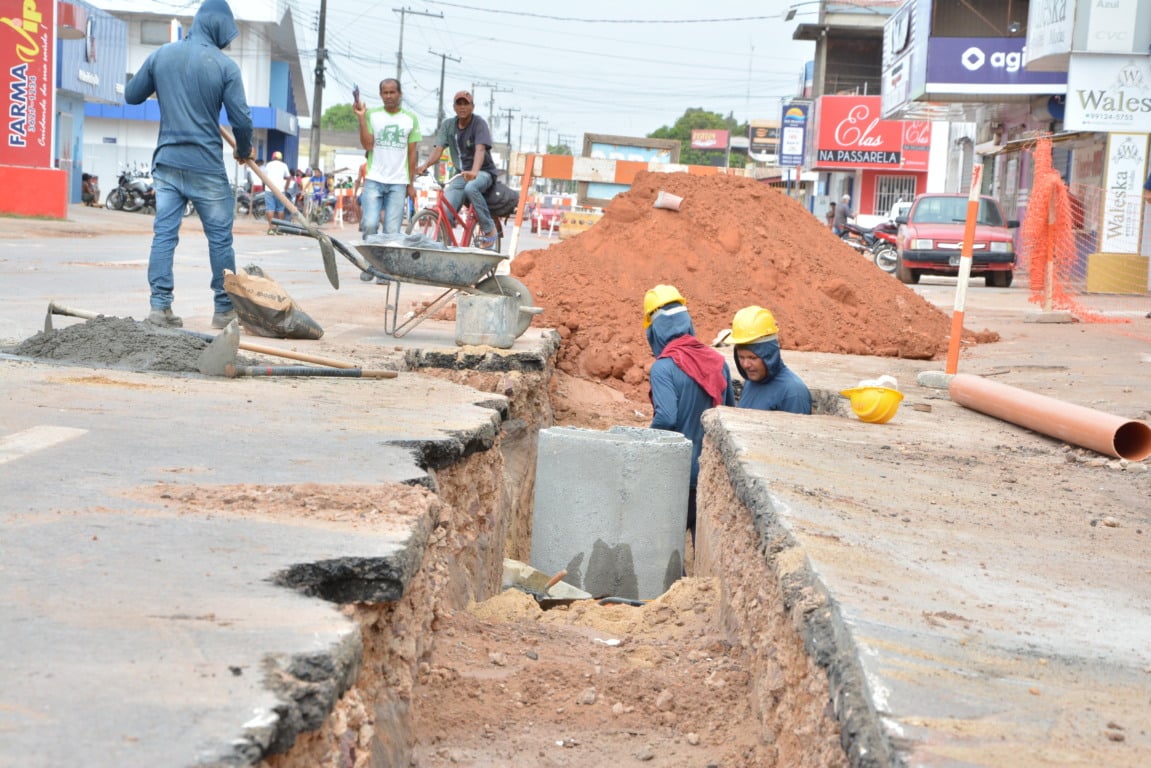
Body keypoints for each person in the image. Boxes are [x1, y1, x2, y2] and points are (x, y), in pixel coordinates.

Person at [124, 0, 252, 330]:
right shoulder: (225, 67)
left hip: (167, 164)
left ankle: (160, 307)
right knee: (220, 240)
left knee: (164, 235)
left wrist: (165, 85)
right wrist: (244, 150)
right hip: (206, 166)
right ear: (219, 26)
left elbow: (131, 96)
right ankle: (224, 310)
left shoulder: (161, 56)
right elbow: (241, 119)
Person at [644, 284, 735, 544]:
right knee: (703, 547)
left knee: (665, 545)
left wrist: (644, 448)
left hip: (676, 474)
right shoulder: (718, 362)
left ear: (654, 331)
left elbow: (666, 418)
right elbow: (727, 417)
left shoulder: (663, 368)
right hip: (709, 474)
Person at [414, 90, 499, 249]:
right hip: (460, 174)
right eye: (458, 104)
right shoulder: (448, 125)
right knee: (445, 212)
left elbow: (480, 149)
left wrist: (474, 172)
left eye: (466, 104)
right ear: (453, 107)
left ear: (472, 107)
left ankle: (489, 229)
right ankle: (445, 247)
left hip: (482, 172)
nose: (462, 107)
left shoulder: (478, 123)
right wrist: (423, 166)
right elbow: (438, 150)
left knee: (471, 187)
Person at [355, 78, 420, 239]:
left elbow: (412, 154)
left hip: (398, 183)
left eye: (392, 92)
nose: (389, 96)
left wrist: (411, 184)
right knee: (369, 225)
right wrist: (362, 119)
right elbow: (367, 145)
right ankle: (370, 264)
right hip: (374, 180)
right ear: (381, 95)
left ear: (400, 94)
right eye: (385, 93)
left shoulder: (410, 119)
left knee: (392, 232)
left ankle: (382, 265)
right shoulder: (372, 115)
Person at [728, 306, 812, 414]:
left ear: (769, 355)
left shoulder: (793, 393)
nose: (745, 365)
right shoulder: (752, 382)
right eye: (741, 357)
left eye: (752, 358)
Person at [262, 150, 290, 234]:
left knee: (270, 208)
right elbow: (288, 177)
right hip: (280, 190)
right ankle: (279, 228)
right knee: (280, 209)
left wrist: (265, 186)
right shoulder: (284, 165)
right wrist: (285, 187)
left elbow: (264, 176)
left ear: (273, 157)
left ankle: (271, 228)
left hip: (269, 189)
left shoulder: (268, 164)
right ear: (281, 158)